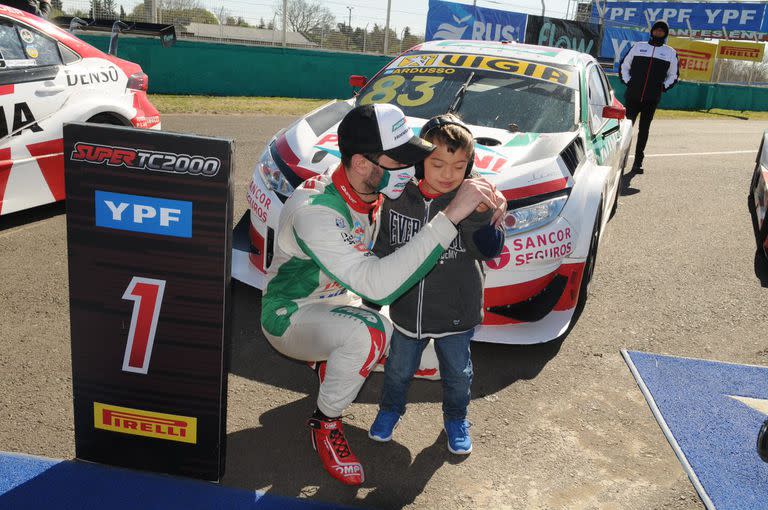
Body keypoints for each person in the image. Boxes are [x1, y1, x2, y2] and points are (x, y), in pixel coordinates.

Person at [260, 103, 506, 486]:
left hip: (342, 301)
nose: (410, 168)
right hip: (291, 314)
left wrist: (487, 197)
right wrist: (451, 216)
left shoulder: (371, 186)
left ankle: (331, 360)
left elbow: (448, 177)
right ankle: (324, 422)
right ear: (361, 163)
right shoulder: (316, 210)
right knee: (370, 333)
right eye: (400, 159)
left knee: (432, 362)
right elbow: (378, 285)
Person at [368, 114, 504, 455]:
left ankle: (457, 417)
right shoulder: (397, 197)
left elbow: (488, 250)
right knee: (398, 370)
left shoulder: (472, 199)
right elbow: (383, 246)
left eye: (459, 167)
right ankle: (390, 409)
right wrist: (371, 297)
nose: (448, 175)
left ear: (469, 166)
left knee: (458, 374)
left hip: (456, 313)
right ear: (418, 163)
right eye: (438, 163)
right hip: (406, 311)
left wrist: (483, 216)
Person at [619, 19, 679, 174]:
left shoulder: (670, 52)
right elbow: (624, 66)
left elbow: (673, 75)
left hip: (651, 100)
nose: (658, 32)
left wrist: (662, 88)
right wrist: (629, 82)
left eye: (662, 31)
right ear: (651, 31)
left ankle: (637, 163)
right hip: (633, 96)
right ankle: (619, 159)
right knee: (625, 129)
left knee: (644, 131)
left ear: (665, 34)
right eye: (656, 30)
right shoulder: (638, 47)